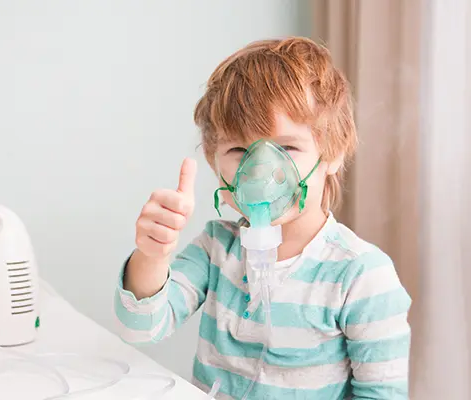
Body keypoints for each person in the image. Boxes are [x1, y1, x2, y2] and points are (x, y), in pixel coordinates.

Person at [113, 37, 411, 399]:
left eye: (286, 147)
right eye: (239, 150)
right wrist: (153, 255)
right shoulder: (216, 249)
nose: (261, 171)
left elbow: (382, 395)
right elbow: (140, 327)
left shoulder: (361, 276)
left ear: (332, 152)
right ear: (214, 161)